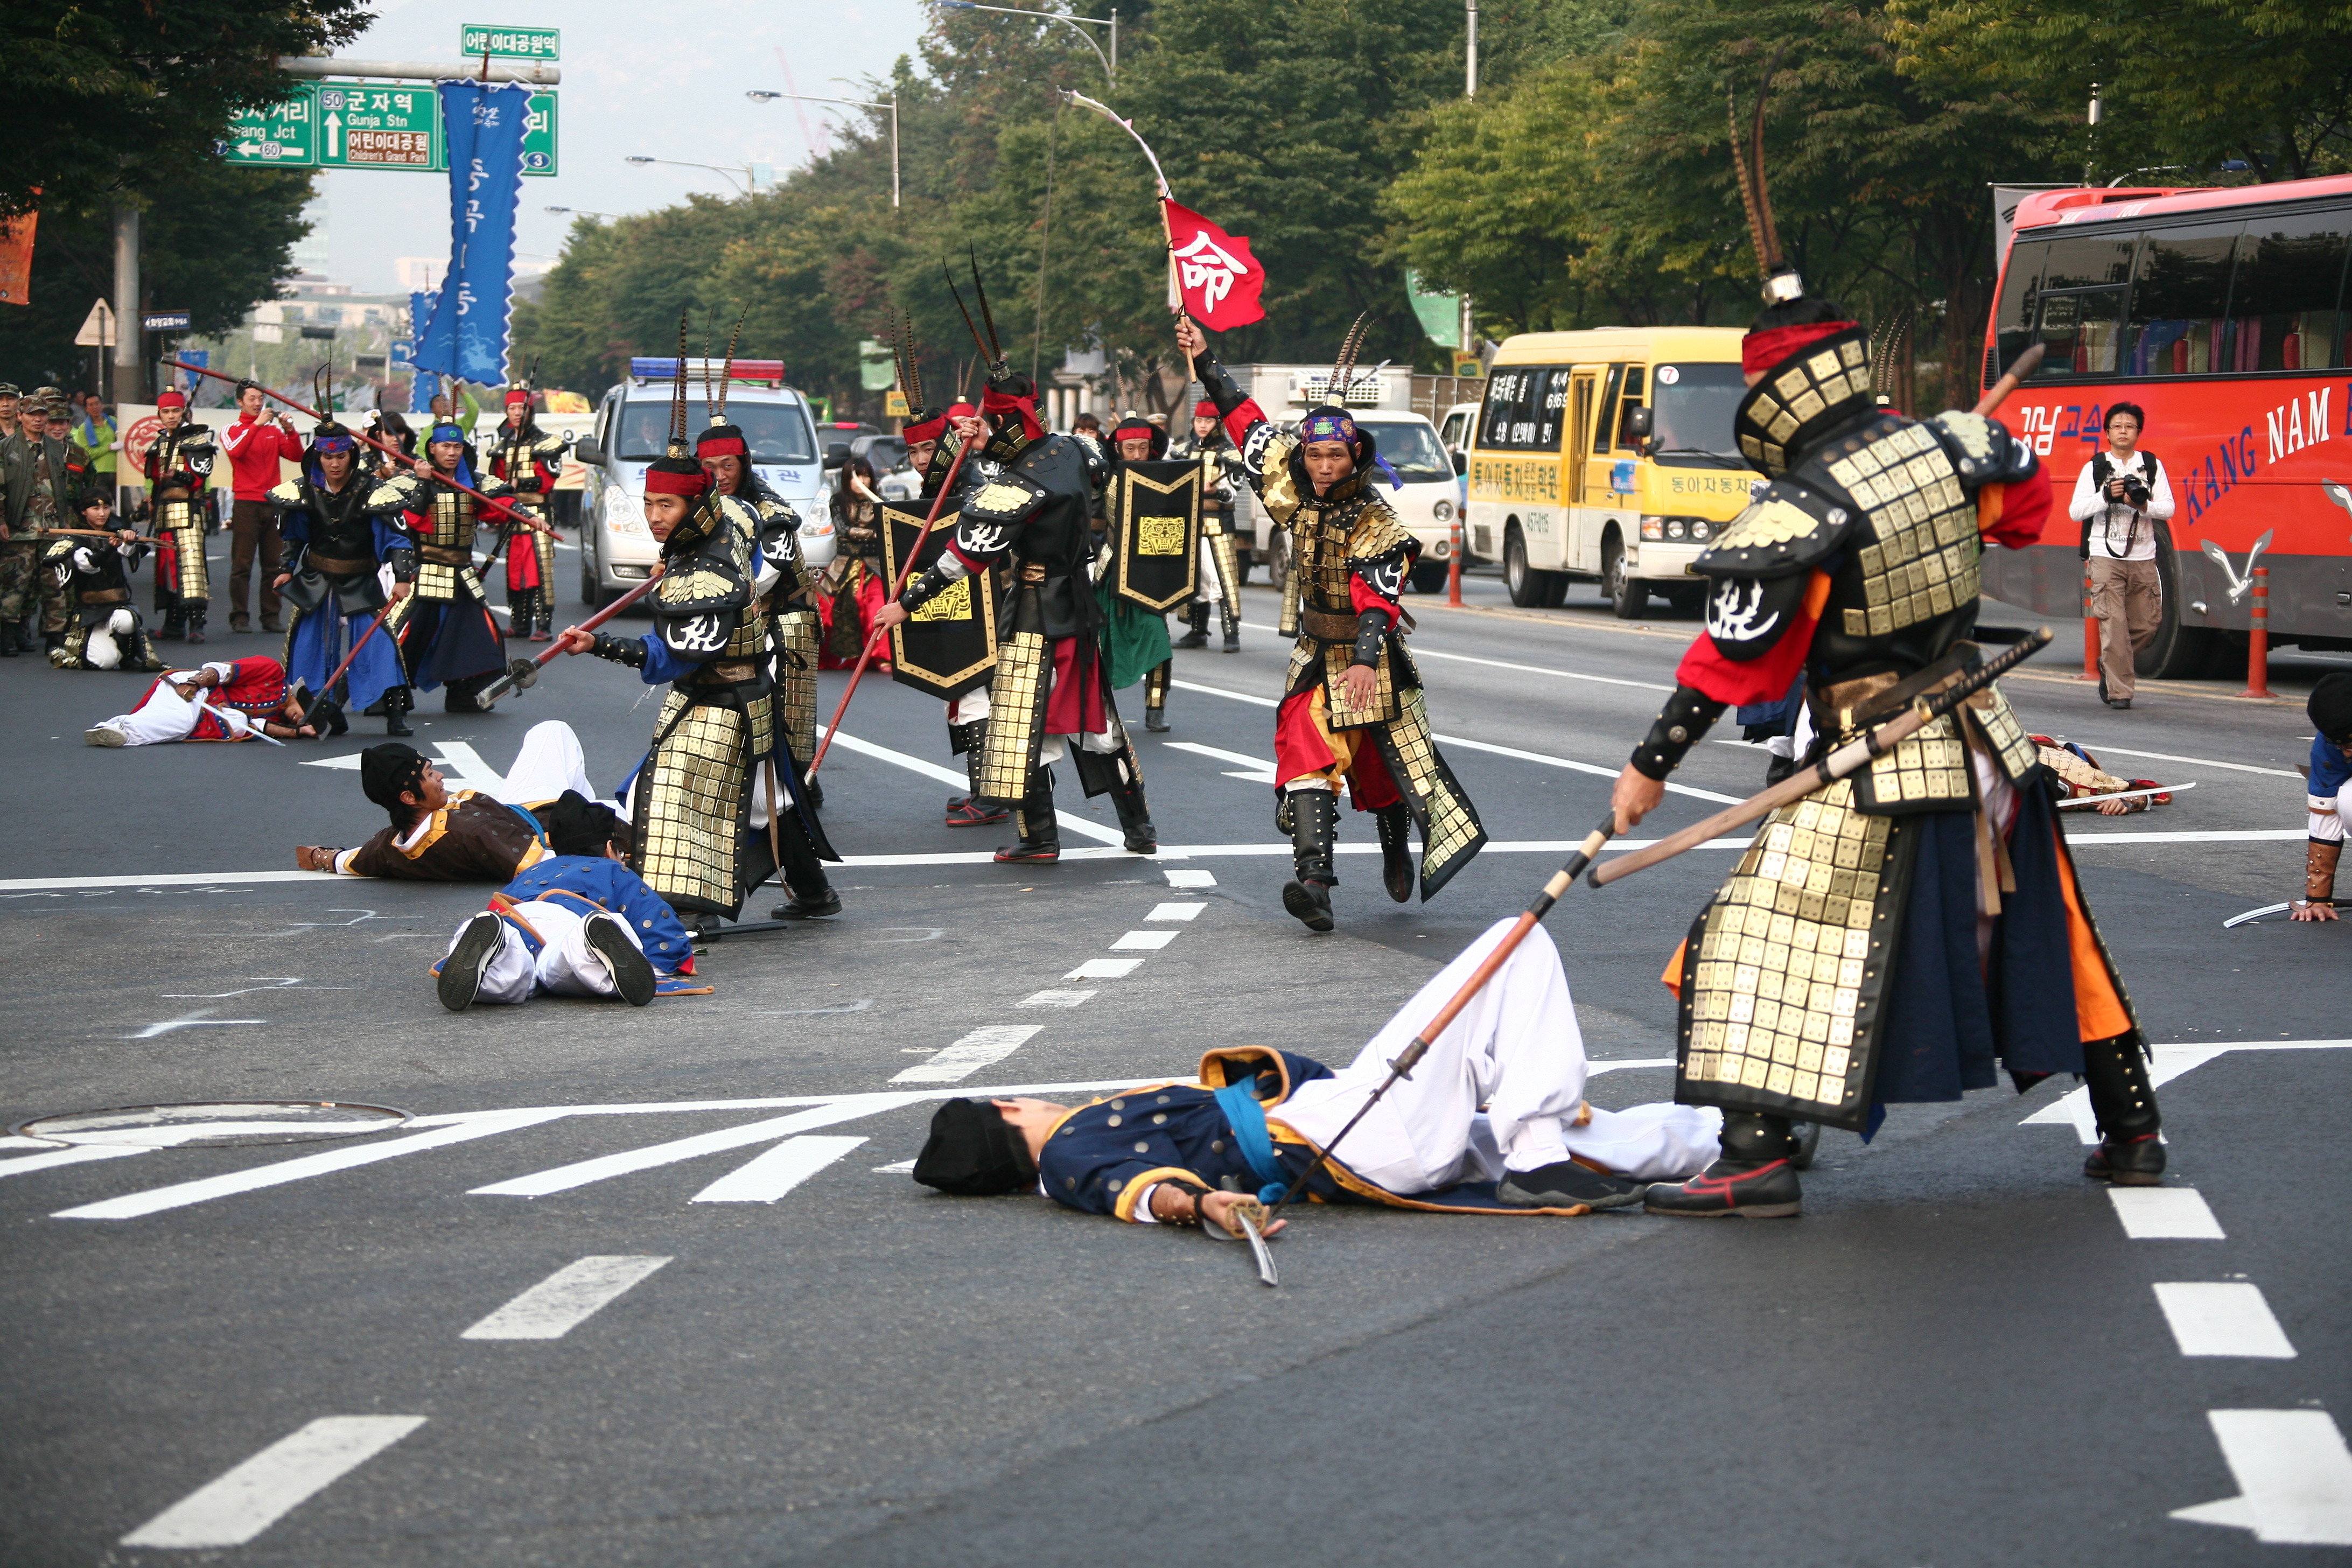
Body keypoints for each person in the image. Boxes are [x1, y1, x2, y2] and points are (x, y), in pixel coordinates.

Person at [1602, 262, 2166, 1218]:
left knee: (1746, 937)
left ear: (1772, 396)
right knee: (2050, 930)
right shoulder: (1947, 447)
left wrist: (1648, 765)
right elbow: (2025, 515)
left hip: (1886, 755)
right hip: (1989, 742)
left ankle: (1754, 1155)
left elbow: (1735, 661)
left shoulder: (1802, 507)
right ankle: (2133, 1129)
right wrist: (1939, 474)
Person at [913, 919, 1721, 1224]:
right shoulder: (1069, 1155)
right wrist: (1206, 1207)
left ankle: (1728, 1142)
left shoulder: (1075, 1150)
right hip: (1346, 1134)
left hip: (1349, 1125)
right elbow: (1139, 1195)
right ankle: (1538, 1157)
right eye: (1011, 1099)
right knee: (1514, 942)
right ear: (1009, 1114)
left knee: (1583, 1134)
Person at [1180, 315, 1488, 932]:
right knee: (1305, 753)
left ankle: (1394, 840)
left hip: (1370, 658)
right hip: (1314, 652)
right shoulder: (1291, 489)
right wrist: (1207, 358)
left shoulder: (1377, 520)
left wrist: (1370, 662)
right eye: (1315, 453)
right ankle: (1315, 882)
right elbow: (1248, 422)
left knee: (1383, 767)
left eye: (1335, 454)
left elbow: (1378, 598)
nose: (1323, 464)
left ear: (1356, 457)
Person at [551, 391, 840, 930]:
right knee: (767, 801)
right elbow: (731, 514)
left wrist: (601, 644)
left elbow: (675, 653)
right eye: (650, 503)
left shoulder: (709, 569)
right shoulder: (732, 516)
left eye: (668, 505)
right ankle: (814, 889)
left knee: (674, 797)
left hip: (727, 694)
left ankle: (692, 909)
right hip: (720, 688)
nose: (655, 517)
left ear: (697, 505)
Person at [872, 321, 1156, 863]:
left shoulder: (1016, 485)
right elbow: (1103, 468)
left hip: (1034, 613)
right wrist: (990, 449)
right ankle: (1140, 827)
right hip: (1080, 605)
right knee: (1099, 725)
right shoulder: (1077, 451)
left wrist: (905, 603)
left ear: (1006, 421)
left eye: (992, 422)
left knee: (1018, 729)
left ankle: (1039, 839)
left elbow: (964, 557)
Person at [433, 792, 701, 1012]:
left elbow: (502, 905)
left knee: (511, 972)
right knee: (570, 965)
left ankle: (494, 942)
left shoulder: (532, 872)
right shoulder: (612, 869)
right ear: (610, 849)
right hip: (570, 919)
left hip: (520, 917)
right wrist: (670, 957)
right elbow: (659, 927)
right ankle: (587, 940)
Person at [292, 721, 603, 880]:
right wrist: (613, 855)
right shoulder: (474, 833)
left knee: (550, 732)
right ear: (409, 797)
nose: (440, 776)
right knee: (557, 736)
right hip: (550, 822)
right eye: (429, 774)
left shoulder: (390, 845)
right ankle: (594, 809)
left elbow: (346, 859)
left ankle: (590, 805)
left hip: (517, 809)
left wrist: (320, 856)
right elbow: (551, 866)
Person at [269, 414, 416, 736]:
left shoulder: (371, 490)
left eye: (340, 456)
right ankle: (322, 709)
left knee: (379, 643)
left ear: (351, 455)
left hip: (360, 578)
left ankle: (395, 712)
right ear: (318, 456)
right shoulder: (306, 490)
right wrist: (285, 570)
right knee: (306, 644)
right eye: (327, 456)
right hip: (316, 578)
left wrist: (403, 577)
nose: (334, 464)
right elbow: (294, 537)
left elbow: (398, 540)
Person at [362, 417, 513, 712]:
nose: (452, 453)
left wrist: (522, 511)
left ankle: (466, 692)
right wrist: (424, 484)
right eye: (446, 446)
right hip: (423, 571)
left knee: (480, 635)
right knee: (398, 632)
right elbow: (408, 520)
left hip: (462, 574)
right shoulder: (410, 480)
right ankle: (387, 694)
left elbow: (503, 502)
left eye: (458, 446)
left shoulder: (474, 481)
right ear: (432, 449)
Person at [2069, 403, 2173, 711]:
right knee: (2113, 625)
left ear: (2138, 432)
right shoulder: (2096, 467)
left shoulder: (2151, 466)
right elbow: (2076, 511)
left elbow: (2168, 508)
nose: (2123, 431)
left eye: (2129, 426)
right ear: (2108, 432)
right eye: (2117, 426)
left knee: (2149, 624)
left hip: (2144, 556)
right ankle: (2120, 693)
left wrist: (2143, 505)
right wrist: (2105, 496)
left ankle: (2109, 665)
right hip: (2104, 555)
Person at [1094, 414, 1179, 733]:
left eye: (1143, 448)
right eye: (1130, 448)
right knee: (1101, 641)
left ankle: (1155, 708)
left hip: (1151, 572)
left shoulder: (1167, 479)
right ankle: (1099, 707)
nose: (1137, 455)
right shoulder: (1104, 478)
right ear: (1119, 449)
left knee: (1159, 642)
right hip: (1111, 569)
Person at [484, 381, 569, 642]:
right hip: (513, 515)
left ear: (530, 410)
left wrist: (521, 484)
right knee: (515, 572)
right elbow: (494, 480)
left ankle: (544, 625)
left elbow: (549, 478)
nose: (517, 413)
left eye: (522, 407)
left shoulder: (546, 443)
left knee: (541, 572)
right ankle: (519, 623)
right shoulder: (502, 446)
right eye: (512, 408)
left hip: (538, 514)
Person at [218, 379, 305, 635]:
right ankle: (240, 617)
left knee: (274, 564)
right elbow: (236, 451)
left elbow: (296, 456)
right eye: (252, 399)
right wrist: (256, 425)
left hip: (274, 502)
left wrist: (289, 429)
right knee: (242, 564)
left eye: (260, 399)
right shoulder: (232, 429)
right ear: (240, 402)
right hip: (246, 502)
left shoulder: (273, 431)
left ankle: (270, 616)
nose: (258, 404)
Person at [44, 488, 161, 671]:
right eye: (95, 509)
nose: (102, 513)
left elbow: (128, 552)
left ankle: (127, 656)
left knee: (127, 619)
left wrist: (129, 541)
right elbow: (89, 565)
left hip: (117, 607)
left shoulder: (115, 533)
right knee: (104, 662)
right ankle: (65, 653)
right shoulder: (75, 539)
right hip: (91, 613)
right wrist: (108, 548)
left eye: (106, 508)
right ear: (84, 511)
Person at [86, 657, 317, 746]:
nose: (300, 719)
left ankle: (116, 732)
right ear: (302, 696)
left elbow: (257, 726)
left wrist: (297, 733)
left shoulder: (276, 715)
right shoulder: (272, 670)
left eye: (303, 721)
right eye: (305, 712)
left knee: (177, 729)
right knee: (180, 723)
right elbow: (222, 670)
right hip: (192, 689)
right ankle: (120, 729)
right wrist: (195, 683)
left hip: (204, 715)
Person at [140, 390, 217, 644]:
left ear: (183, 411)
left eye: (175, 411)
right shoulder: (160, 443)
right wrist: (151, 502)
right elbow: (154, 480)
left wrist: (179, 475)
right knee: (167, 571)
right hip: (164, 511)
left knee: (192, 567)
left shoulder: (197, 440)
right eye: (166, 412)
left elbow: (199, 478)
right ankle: (173, 624)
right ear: (159, 414)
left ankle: (197, 625)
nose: (171, 416)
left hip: (188, 510)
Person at [1167, 398, 1243, 654]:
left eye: (1208, 421)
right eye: (1199, 420)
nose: (1202, 425)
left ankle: (1231, 634)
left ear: (1218, 424)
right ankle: (1198, 631)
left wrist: (1217, 489)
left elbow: (1234, 492)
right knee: (1193, 577)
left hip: (1219, 523)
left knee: (1223, 579)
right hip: (1189, 523)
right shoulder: (1182, 450)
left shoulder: (1230, 454)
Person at [820, 454, 887, 670]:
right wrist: (872, 534)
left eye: (865, 476)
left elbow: (888, 529)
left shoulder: (880, 501)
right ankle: (826, 656)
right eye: (855, 477)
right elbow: (843, 529)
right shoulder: (838, 501)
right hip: (842, 566)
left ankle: (882, 656)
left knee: (879, 606)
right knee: (824, 608)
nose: (860, 482)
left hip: (873, 567)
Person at [2294, 672, 2352, 922]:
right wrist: (2317, 898)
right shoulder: (2329, 746)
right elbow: (2324, 816)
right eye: (2342, 747)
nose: (2347, 754)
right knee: (2348, 799)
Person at [76, 394, 119, 512]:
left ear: (102, 405)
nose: (95, 407)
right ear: (86, 409)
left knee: (126, 508)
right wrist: (109, 447)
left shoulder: (113, 422)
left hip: (118, 471)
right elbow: (87, 453)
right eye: (91, 405)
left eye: (97, 404)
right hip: (99, 473)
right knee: (103, 507)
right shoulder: (83, 429)